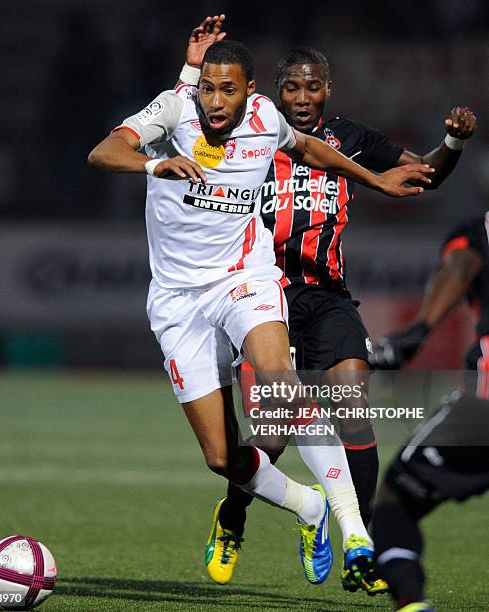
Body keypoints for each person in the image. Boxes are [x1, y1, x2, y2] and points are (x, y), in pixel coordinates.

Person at [88, 37, 432, 591]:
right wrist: (156, 165)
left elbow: (310, 149)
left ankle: (354, 532)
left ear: (250, 92)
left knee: (284, 389)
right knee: (224, 458)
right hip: (178, 300)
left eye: (228, 90)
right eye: (208, 89)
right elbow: (102, 153)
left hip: (245, 279)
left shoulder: (266, 119)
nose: (216, 101)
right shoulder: (173, 110)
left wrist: (375, 180)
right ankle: (308, 507)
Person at [177, 15, 476, 591]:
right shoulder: (251, 129)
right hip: (264, 293)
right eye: (291, 86)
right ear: (275, 89)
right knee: (272, 432)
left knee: (352, 408)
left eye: (313, 87)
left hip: (331, 296)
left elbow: (422, 176)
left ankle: (362, 549)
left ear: (328, 90)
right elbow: (191, 119)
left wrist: (454, 143)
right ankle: (233, 516)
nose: (302, 97)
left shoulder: (353, 139)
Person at [371, 213, 489, 611]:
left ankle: (410, 598)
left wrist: (420, 329)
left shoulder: (478, 233)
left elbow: (462, 262)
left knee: (395, 498)